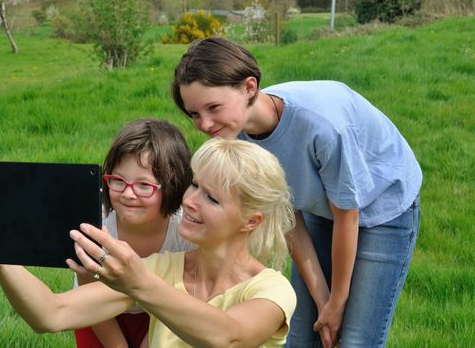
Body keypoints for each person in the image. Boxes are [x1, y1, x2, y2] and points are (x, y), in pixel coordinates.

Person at [171, 37, 422, 348]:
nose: (204, 124)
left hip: (382, 204)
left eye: (213, 107)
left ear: (249, 87)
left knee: (357, 339)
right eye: (194, 113)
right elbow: (288, 219)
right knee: (303, 334)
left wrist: (338, 304)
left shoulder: (321, 128)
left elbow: (348, 216)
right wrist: (323, 300)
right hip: (322, 206)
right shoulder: (237, 142)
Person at [0, 138, 297, 347]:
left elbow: (229, 337)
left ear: (251, 222)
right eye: (194, 185)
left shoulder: (271, 289)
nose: (190, 201)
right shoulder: (160, 269)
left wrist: (140, 283)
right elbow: (52, 314)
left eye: (212, 198)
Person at [77, 118, 195, 348]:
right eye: (118, 181)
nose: (129, 194)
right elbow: (87, 288)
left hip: (164, 316)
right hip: (98, 312)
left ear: (174, 185)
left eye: (144, 185)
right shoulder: (95, 223)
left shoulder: (187, 231)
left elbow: (180, 304)